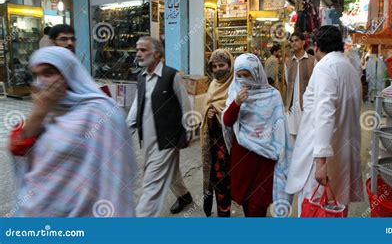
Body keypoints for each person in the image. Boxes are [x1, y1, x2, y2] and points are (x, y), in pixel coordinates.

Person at [9, 47, 136, 217]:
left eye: (48, 73)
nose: (41, 82)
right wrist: (39, 111)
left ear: (68, 75)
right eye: (36, 75)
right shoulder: (45, 113)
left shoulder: (100, 113)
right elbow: (18, 149)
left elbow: (114, 179)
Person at [286, 26, 363, 217]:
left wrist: (320, 160)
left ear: (317, 46)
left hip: (322, 155)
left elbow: (324, 113)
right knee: (334, 207)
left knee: (316, 207)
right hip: (343, 150)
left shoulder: (325, 68)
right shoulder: (350, 68)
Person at [127, 37, 193, 217]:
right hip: (147, 140)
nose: (138, 54)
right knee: (172, 172)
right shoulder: (141, 77)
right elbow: (136, 106)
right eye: (137, 50)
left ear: (157, 54)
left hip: (168, 139)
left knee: (151, 182)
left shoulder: (172, 75)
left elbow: (185, 106)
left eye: (143, 50)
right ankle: (184, 196)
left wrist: (187, 134)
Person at [223, 53, 293, 217]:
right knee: (247, 206)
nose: (242, 80)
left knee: (258, 207)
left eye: (246, 75)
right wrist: (236, 104)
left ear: (256, 73)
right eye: (238, 76)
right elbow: (227, 122)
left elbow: (280, 130)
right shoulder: (235, 91)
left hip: (264, 161)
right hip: (242, 160)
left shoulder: (272, 95)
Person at [200, 49, 234, 217]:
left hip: (231, 144)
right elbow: (205, 107)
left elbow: (237, 111)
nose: (218, 69)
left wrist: (219, 111)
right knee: (216, 179)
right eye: (214, 66)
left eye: (222, 65)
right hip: (213, 142)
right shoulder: (213, 84)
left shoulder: (236, 84)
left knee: (228, 180)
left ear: (230, 65)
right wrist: (209, 111)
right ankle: (220, 211)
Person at [284, 32, 316, 140]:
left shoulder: (313, 61)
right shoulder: (288, 63)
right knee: (292, 138)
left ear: (303, 42)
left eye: (296, 40)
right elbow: (287, 85)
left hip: (307, 106)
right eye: (292, 41)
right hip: (292, 107)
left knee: (307, 138)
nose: (294, 43)